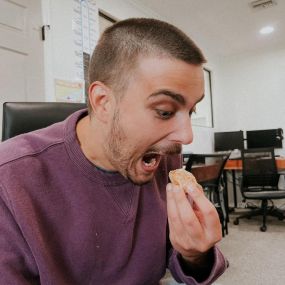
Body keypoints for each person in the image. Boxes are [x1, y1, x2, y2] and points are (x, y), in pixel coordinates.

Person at [0, 18, 228, 285]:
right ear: (103, 102)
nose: (186, 136)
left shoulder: (163, 156)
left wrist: (194, 255)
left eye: (191, 111)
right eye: (164, 111)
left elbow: (176, 257)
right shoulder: (10, 179)